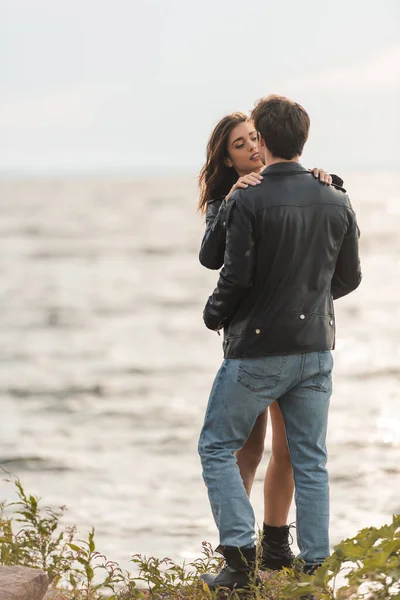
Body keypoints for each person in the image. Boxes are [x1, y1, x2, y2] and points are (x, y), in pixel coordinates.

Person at [198, 95, 362, 592]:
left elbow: (235, 276)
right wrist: (306, 304)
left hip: (260, 349)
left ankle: (241, 562)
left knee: (215, 446)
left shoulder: (261, 196)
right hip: (314, 348)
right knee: (309, 458)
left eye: (254, 138)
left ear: (265, 140)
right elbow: (350, 278)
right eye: (239, 143)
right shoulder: (334, 196)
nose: (249, 146)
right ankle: (315, 572)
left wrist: (213, 315)